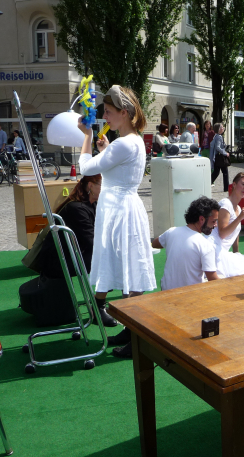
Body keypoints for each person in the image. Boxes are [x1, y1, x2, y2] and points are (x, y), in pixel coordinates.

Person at [78, 85, 156, 333]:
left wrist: (87, 137)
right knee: (127, 263)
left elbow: (86, 169)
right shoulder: (131, 141)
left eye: (109, 112)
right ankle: (128, 329)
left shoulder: (124, 144)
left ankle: (132, 331)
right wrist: (106, 149)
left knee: (127, 264)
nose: (106, 117)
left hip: (119, 210)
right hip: (121, 207)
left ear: (124, 112)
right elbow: (117, 167)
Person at [111, 197, 222, 358]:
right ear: (201, 219)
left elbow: (156, 243)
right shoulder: (205, 245)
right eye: (214, 221)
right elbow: (213, 279)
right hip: (189, 302)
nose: (215, 225)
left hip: (165, 294)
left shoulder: (172, 232)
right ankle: (135, 344)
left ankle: (128, 334)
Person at [19, 175, 102, 327]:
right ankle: (99, 307)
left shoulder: (89, 204)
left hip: (68, 256)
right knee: (110, 262)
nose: (106, 190)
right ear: (90, 186)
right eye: (103, 185)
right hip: (59, 262)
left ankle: (100, 305)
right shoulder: (77, 208)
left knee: (112, 259)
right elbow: (93, 242)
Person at [211, 172, 244, 277]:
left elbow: (235, 233)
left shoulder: (238, 208)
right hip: (215, 251)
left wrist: (236, 253)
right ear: (234, 185)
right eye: (243, 184)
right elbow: (222, 233)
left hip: (224, 252)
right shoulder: (225, 204)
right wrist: (240, 218)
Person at [210, 122, 229, 191]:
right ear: (218, 129)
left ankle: (207, 183)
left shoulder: (216, 136)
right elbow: (218, 147)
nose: (223, 128)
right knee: (225, 172)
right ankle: (226, 188)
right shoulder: (219, 137)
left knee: (216, 172)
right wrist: (225, 153)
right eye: (221, 127)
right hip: (220, 158)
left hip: (216, 157)